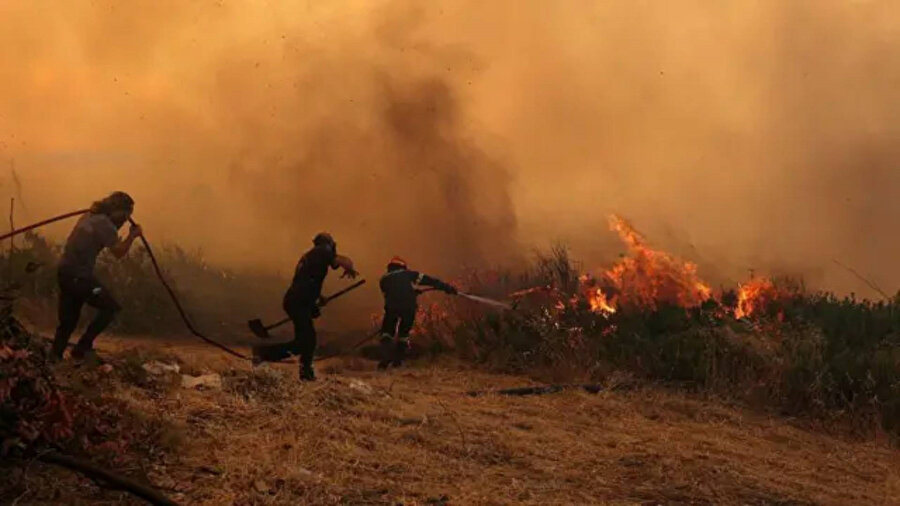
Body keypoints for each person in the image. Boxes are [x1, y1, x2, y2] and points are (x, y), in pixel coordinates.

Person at [252, 232, 357, 381]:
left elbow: (307, 281)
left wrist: (319, 298)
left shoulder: (311, 256)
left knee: (304, 341)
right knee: (307, 342)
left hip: (297, 300)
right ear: (328, 244)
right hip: (298, 302)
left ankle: (298, 369)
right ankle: (266, 355)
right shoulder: (322, 251)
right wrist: (350, 266)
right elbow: (342, 261)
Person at [51, 191, 143, 361]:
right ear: (116, 210)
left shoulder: (89, 216)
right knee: (110, 308)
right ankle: (83, 348)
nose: (123, 221)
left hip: (65, 273)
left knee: (67, 322)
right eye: (124, 216)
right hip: (79, 277)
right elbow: (118, 252)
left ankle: (54, 358)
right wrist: (132, 236)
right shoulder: (105, 224)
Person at [377, 256, 457, 369]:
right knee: (403, 334)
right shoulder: (407, 274)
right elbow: (428, 280)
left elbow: (394, 291)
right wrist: (446, 287)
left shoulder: (384, 279)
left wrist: (411, 292)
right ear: (402, 267)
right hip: (408, 307)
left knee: (387, 333)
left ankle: (385, 358)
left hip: (392, 307)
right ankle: (398, 361)